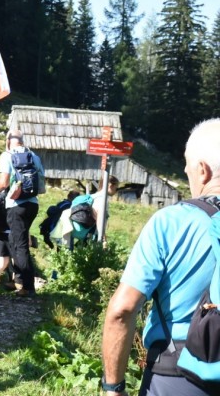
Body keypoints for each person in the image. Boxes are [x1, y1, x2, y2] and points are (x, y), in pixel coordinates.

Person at [101, 119, 220, 396]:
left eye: (187, 165)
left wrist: (113, 388)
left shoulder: (171, 222)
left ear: (202, 171)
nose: (184, 171)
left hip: (178, 377)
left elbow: (122, 311)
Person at [0, 129, 43, 297]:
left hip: (16, 206)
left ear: (8, 141)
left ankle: (27, 287)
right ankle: (20, 281)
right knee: (20, 242)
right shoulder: (34, 156)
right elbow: (41, 183)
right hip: (33, 205)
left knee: (20, 247)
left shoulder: (7, 155)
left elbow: (4, 183)